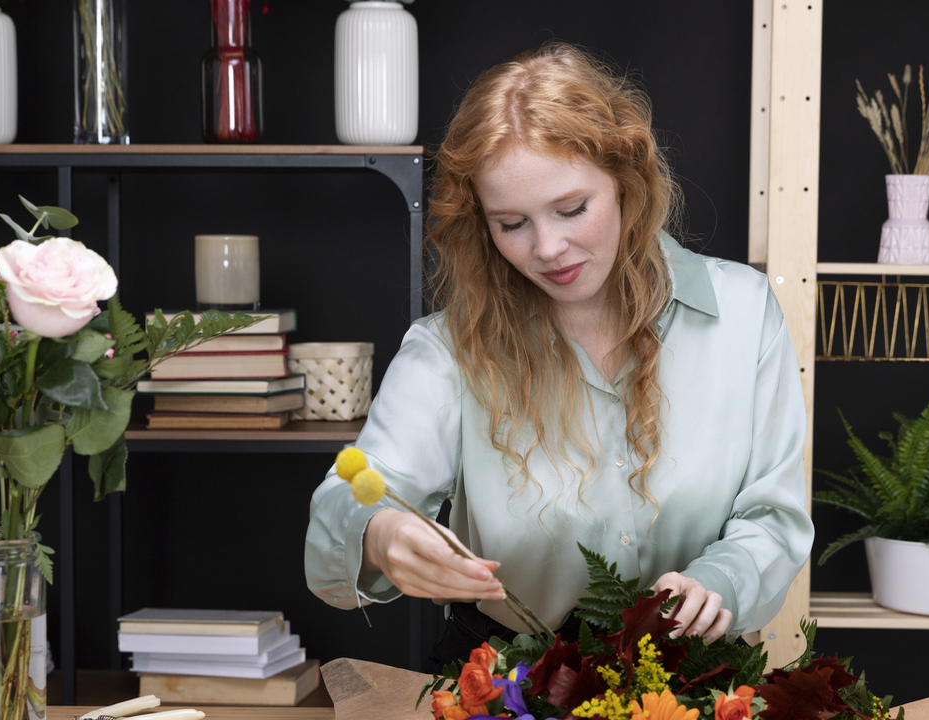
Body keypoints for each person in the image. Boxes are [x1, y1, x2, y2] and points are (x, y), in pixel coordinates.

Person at [305, 41, 813, 670]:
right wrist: (382, 535)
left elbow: (774, 515)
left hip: (693, 687)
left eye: (572, 209)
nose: (548, 248)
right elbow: (346, 499)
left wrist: (723, 581)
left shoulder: (744, 312)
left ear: (628, 182)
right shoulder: (449, 348)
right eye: (511, 223)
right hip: (502, 691)